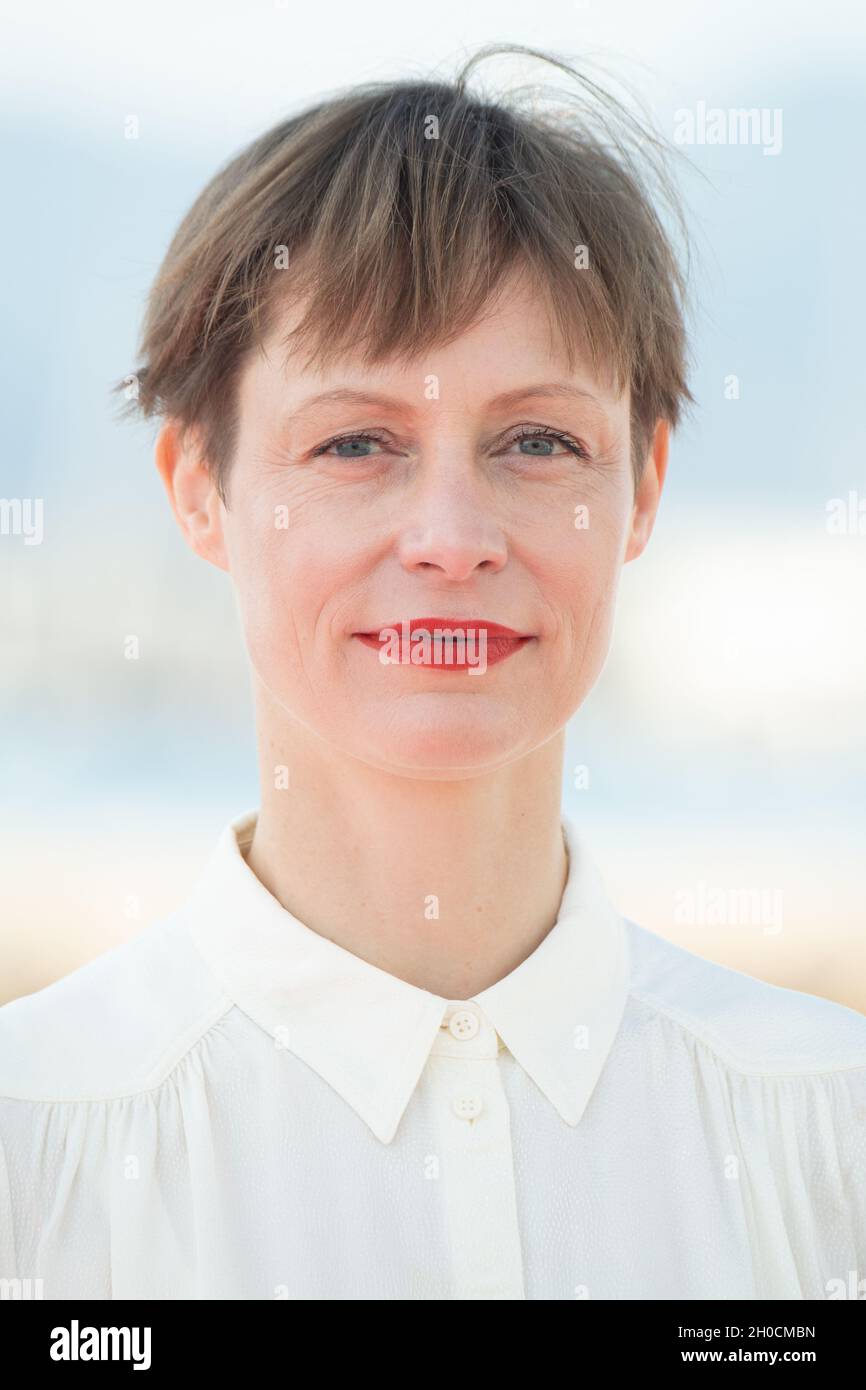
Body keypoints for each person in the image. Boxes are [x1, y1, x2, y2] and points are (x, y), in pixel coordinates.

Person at [1, 43, 864, 1302]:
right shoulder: (36, 1142)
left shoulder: (825, 1132)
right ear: (200, 487)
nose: (453, 538)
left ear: (644, 485)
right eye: (355, 442)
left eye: (537, 440)